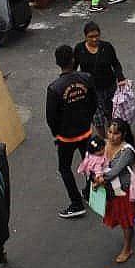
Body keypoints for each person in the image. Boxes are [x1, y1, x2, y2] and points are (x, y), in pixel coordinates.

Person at [45, 45, 97, 220]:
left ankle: (76, 203)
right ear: (74, 60)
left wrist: (57, 133)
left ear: (57, 63)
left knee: (65, 168)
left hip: (66, 137)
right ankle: (91, 192)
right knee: (89, 164)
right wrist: (86, 121)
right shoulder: (86, 78)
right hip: (85, 131)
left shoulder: (54, 88)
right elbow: (93, 104)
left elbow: (51, 118)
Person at [96, 119, 135, 263]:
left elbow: (115, 171)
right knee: (123, 217)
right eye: (110, 132)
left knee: (125, 220)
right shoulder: (106, 144)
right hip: (112, 191)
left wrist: (101, 178)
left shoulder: (126, 151)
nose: (112, 136)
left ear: (123, 134)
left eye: (116, 133)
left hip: (123, 192)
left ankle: (127, 249)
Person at [73, 21, 125, 132]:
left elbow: (115, 63)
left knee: (112, 113)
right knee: (97, 118)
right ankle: (103, 139)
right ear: (85, 37)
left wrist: (120, 78)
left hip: (109, 87)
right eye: (90, 37)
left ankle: (113, 134)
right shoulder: (79, 49)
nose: (94, 39)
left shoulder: (107, 47)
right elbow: (74, 67)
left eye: (96, 36)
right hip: (92, 91)